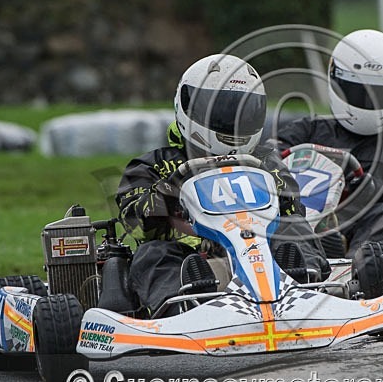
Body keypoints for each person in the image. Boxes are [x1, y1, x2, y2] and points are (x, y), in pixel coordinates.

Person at [116, 54, 330, 316]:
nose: (231, 122)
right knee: (154, 254)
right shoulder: (155, 166)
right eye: (221, 111)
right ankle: (180, 311)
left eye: (241, 112)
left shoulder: (265, 161)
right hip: (195, 263)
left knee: (295, 229)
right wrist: (170, 191)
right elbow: (134, 223)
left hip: (261, 254)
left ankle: (304, 290)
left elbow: (292, 211)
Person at [275, 29, 383, 255]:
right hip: (301, 225)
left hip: (364, 243)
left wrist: (369, 190)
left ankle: (358, 270)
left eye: (379, 93)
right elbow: (266, 160)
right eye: (358, 91)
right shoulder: (307, 131)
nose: (367, 101)